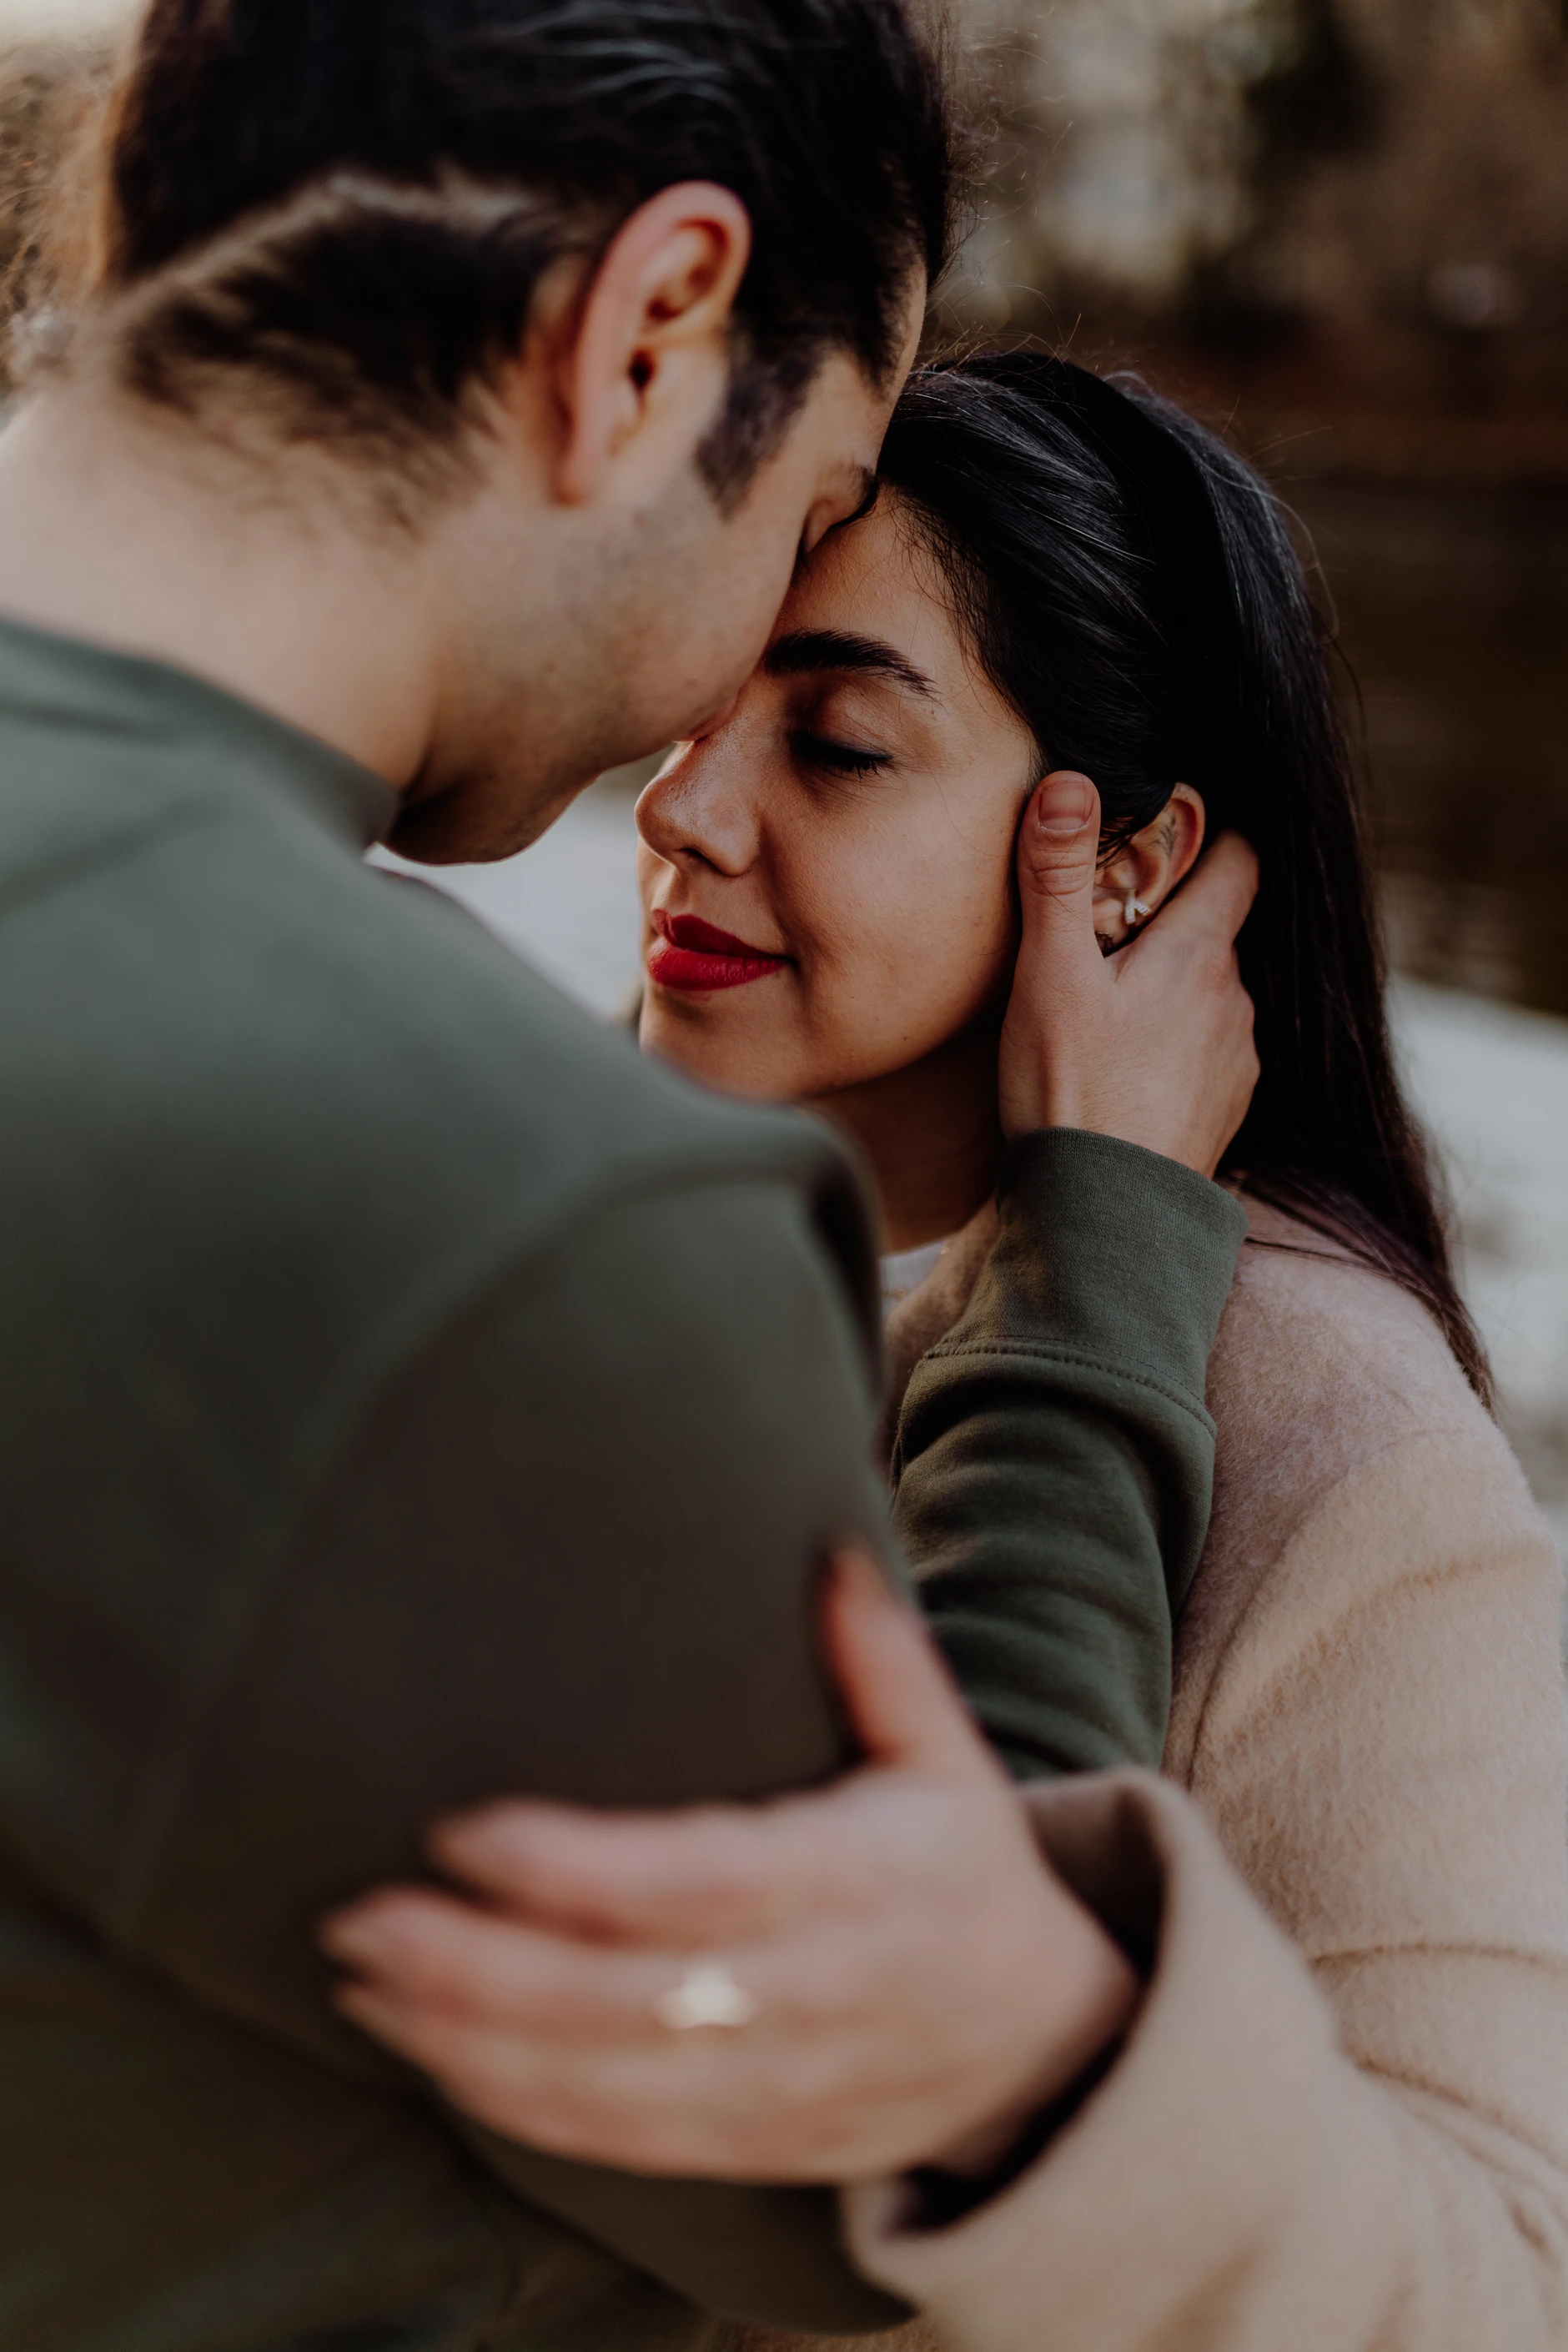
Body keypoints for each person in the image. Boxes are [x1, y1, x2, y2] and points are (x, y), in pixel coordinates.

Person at [0, 13, 1264, 2352]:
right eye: (803, 517)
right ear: (649, 328)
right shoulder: (495, 1218)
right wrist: (1094, 1274)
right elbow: (927, 2143)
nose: (681, 781)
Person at [324, 358, 1568, 2350]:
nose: (685, 805)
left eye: (834, 746)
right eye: (703, 700)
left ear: (1133, 865)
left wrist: (1071, 2082)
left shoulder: (1324, 1429)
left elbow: (1496, 2290)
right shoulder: (495, 1232)